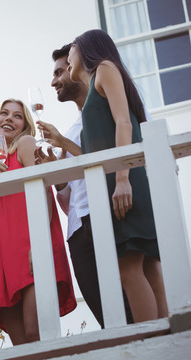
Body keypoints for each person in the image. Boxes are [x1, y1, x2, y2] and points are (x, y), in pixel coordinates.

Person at [65, 29, 168, 322]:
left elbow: (124, 123)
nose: (68, 54)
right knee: (147, 267)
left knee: (128, 270)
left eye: (72, 47)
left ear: (84, 49)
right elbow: (95, 152)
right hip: (121, 181)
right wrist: (61, 144)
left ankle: (152, 339)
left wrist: (122, 179)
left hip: (124, 183)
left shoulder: (105, 69)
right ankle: (165, 336)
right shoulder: (94, 96)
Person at [0, 98, 76, 345]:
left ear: (25, 126)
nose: (9, 119)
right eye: (4, 113)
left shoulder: (25, 144)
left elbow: (43, 193)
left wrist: (38, 245)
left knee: (38, 333)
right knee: (21, 343)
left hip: (31, 250)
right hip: (5, 259)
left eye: (17, 116)